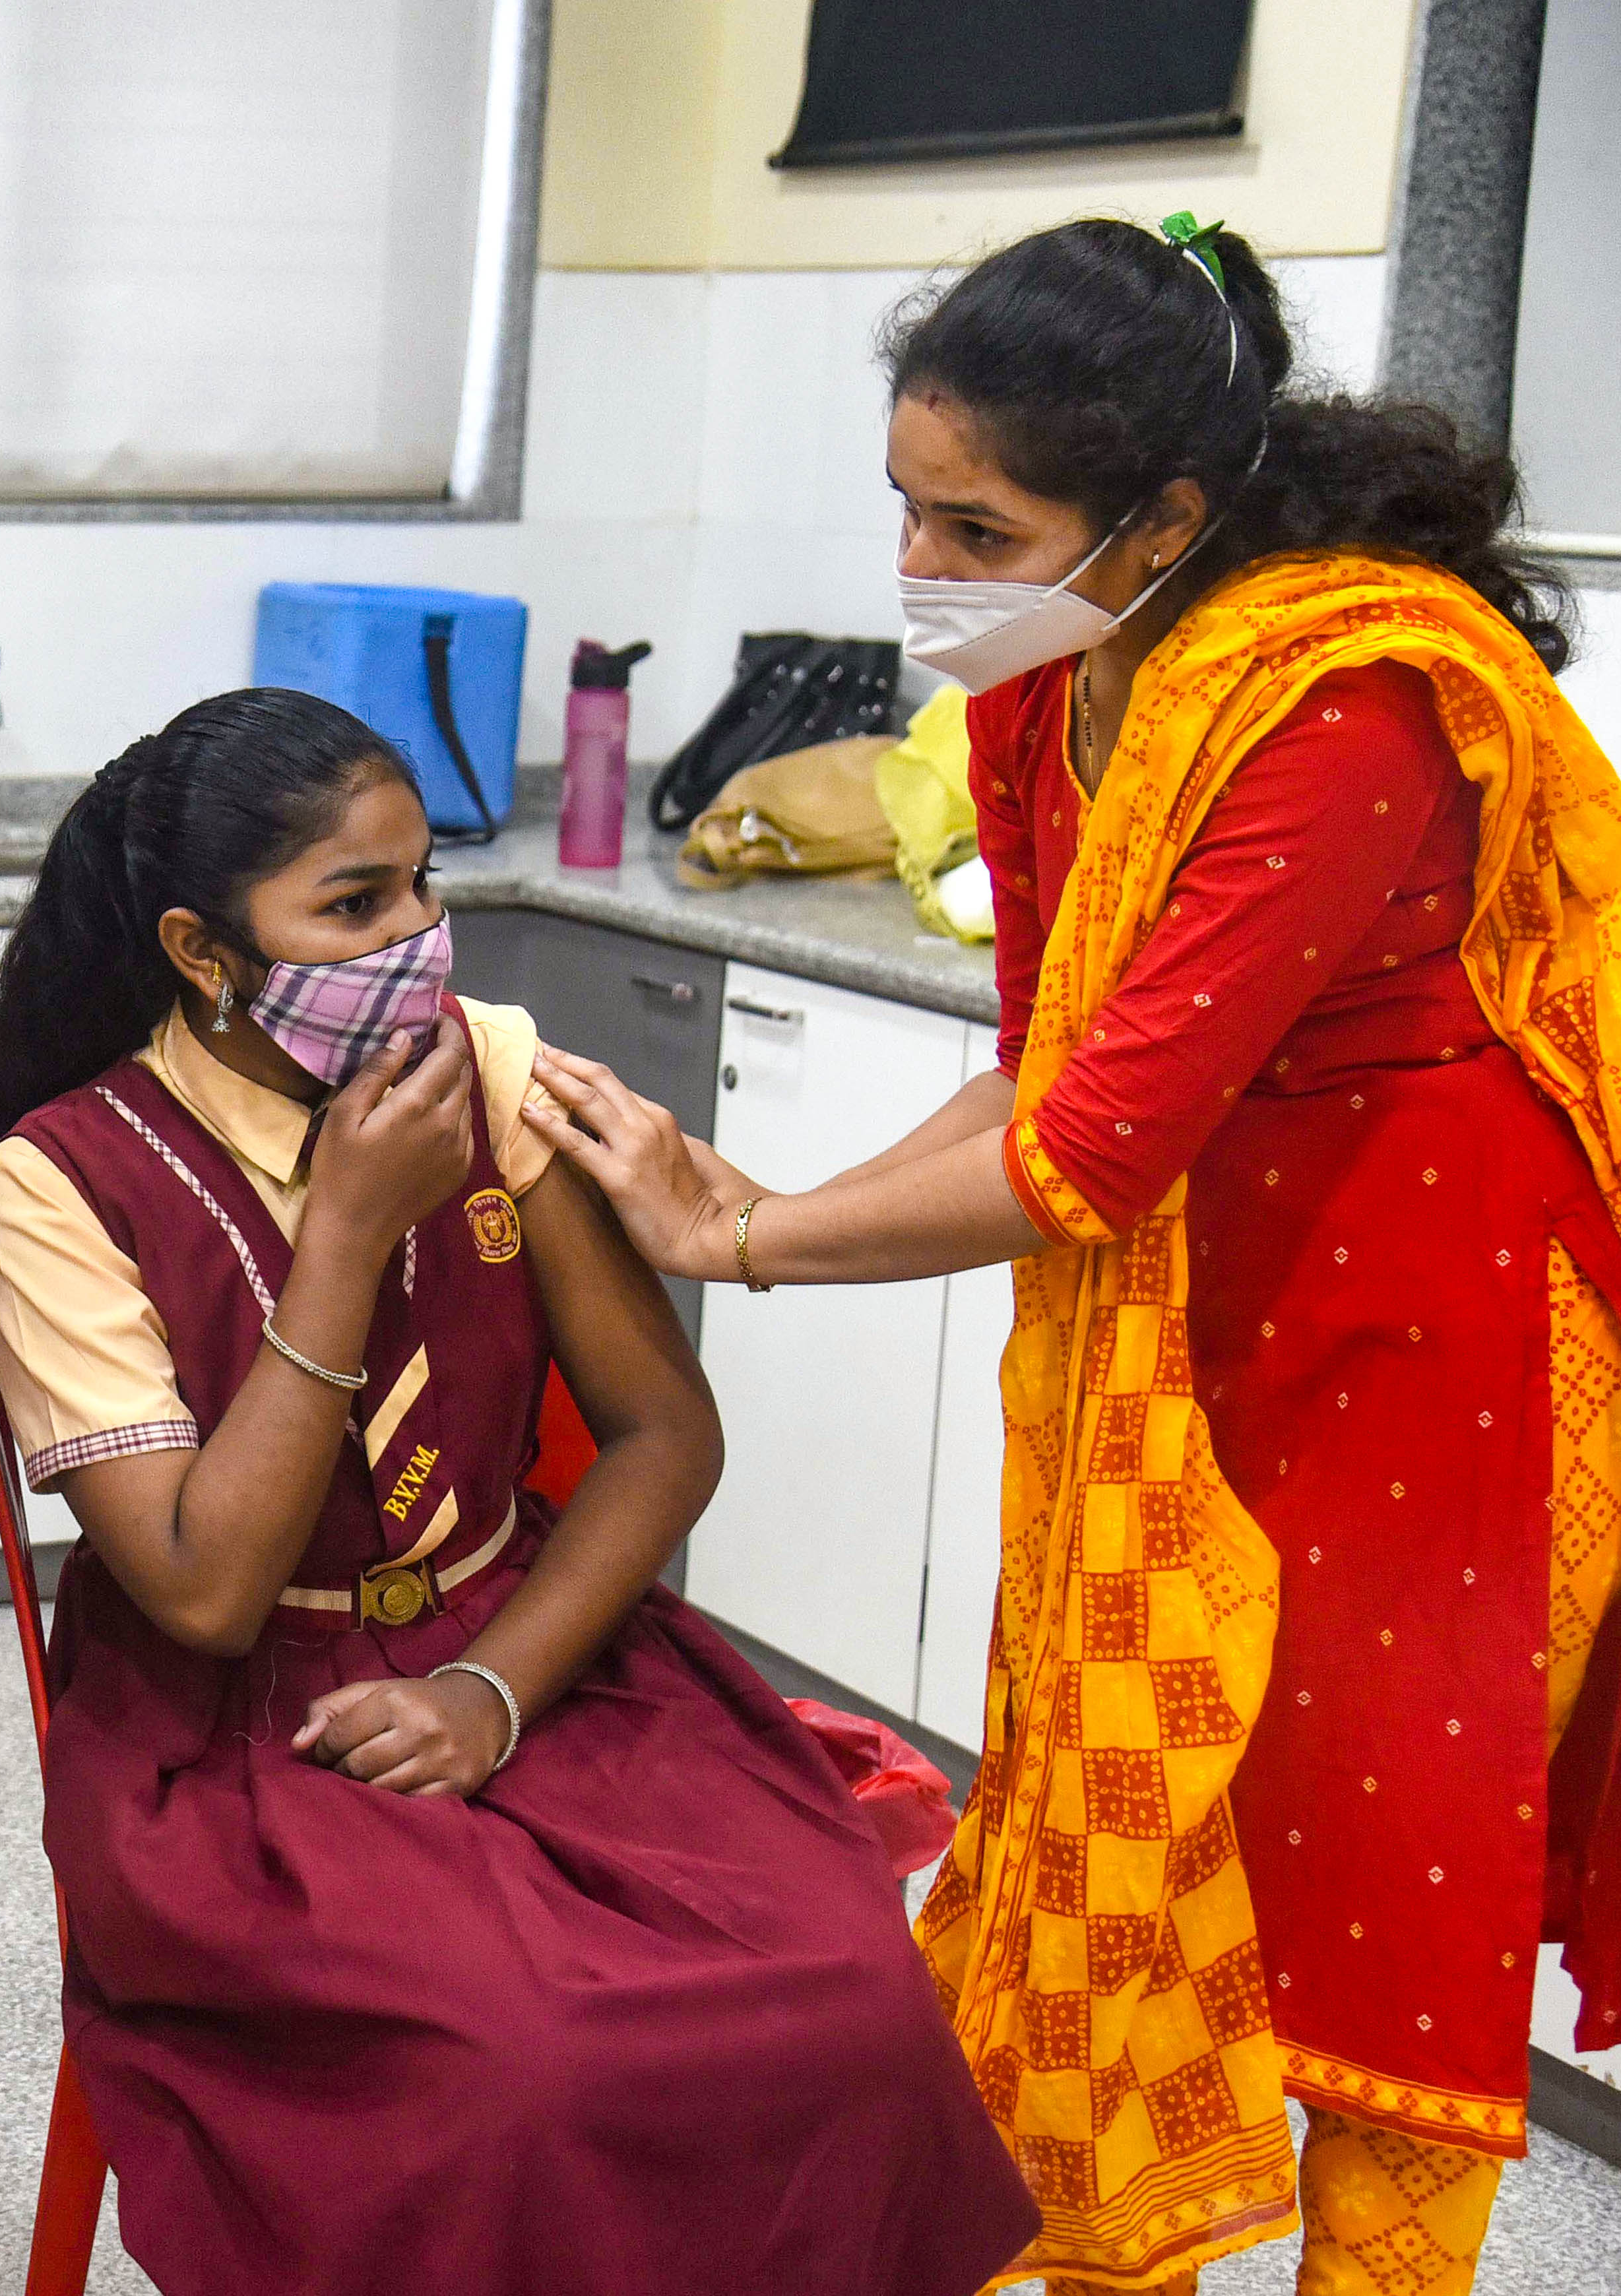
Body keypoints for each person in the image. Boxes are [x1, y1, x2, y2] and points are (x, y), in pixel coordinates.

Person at [535, 214, 1621, 2295]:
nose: (928, 572)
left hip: (1442, 1349)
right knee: (1138, 1834)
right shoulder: (1059, 685)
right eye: (909, 516)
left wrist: (738, 1231)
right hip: (1204, 1318)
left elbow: (1093, 1155)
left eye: (978, 524)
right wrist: (744, 1193)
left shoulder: (1342, 701)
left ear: (1170, 516)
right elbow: (1046, 1074)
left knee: (1376, 1896)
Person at [0, 689, 1041, 2296]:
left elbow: (668, 1434)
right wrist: (339, 1243)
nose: (418, 940)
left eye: (422, 885)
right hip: (245, 1733)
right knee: (524, 2065)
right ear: (202, 952)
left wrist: (492, 1688)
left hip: (527, 1640)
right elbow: (199, 1588)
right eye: (352, 906)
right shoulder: (58, 1184)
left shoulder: (496, 1071)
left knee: (853, 1996)